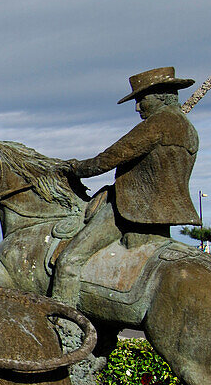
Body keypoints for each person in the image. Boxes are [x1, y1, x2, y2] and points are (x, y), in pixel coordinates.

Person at [54, 67, 201, 306]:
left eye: (141, 99)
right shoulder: (187, 128)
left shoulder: (157, 125)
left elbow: (108, 159)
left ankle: (66, 327)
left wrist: (74, 168)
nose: (137, 107)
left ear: (161, 96)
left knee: (69, 260)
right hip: (164, 213)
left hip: (134, 209)